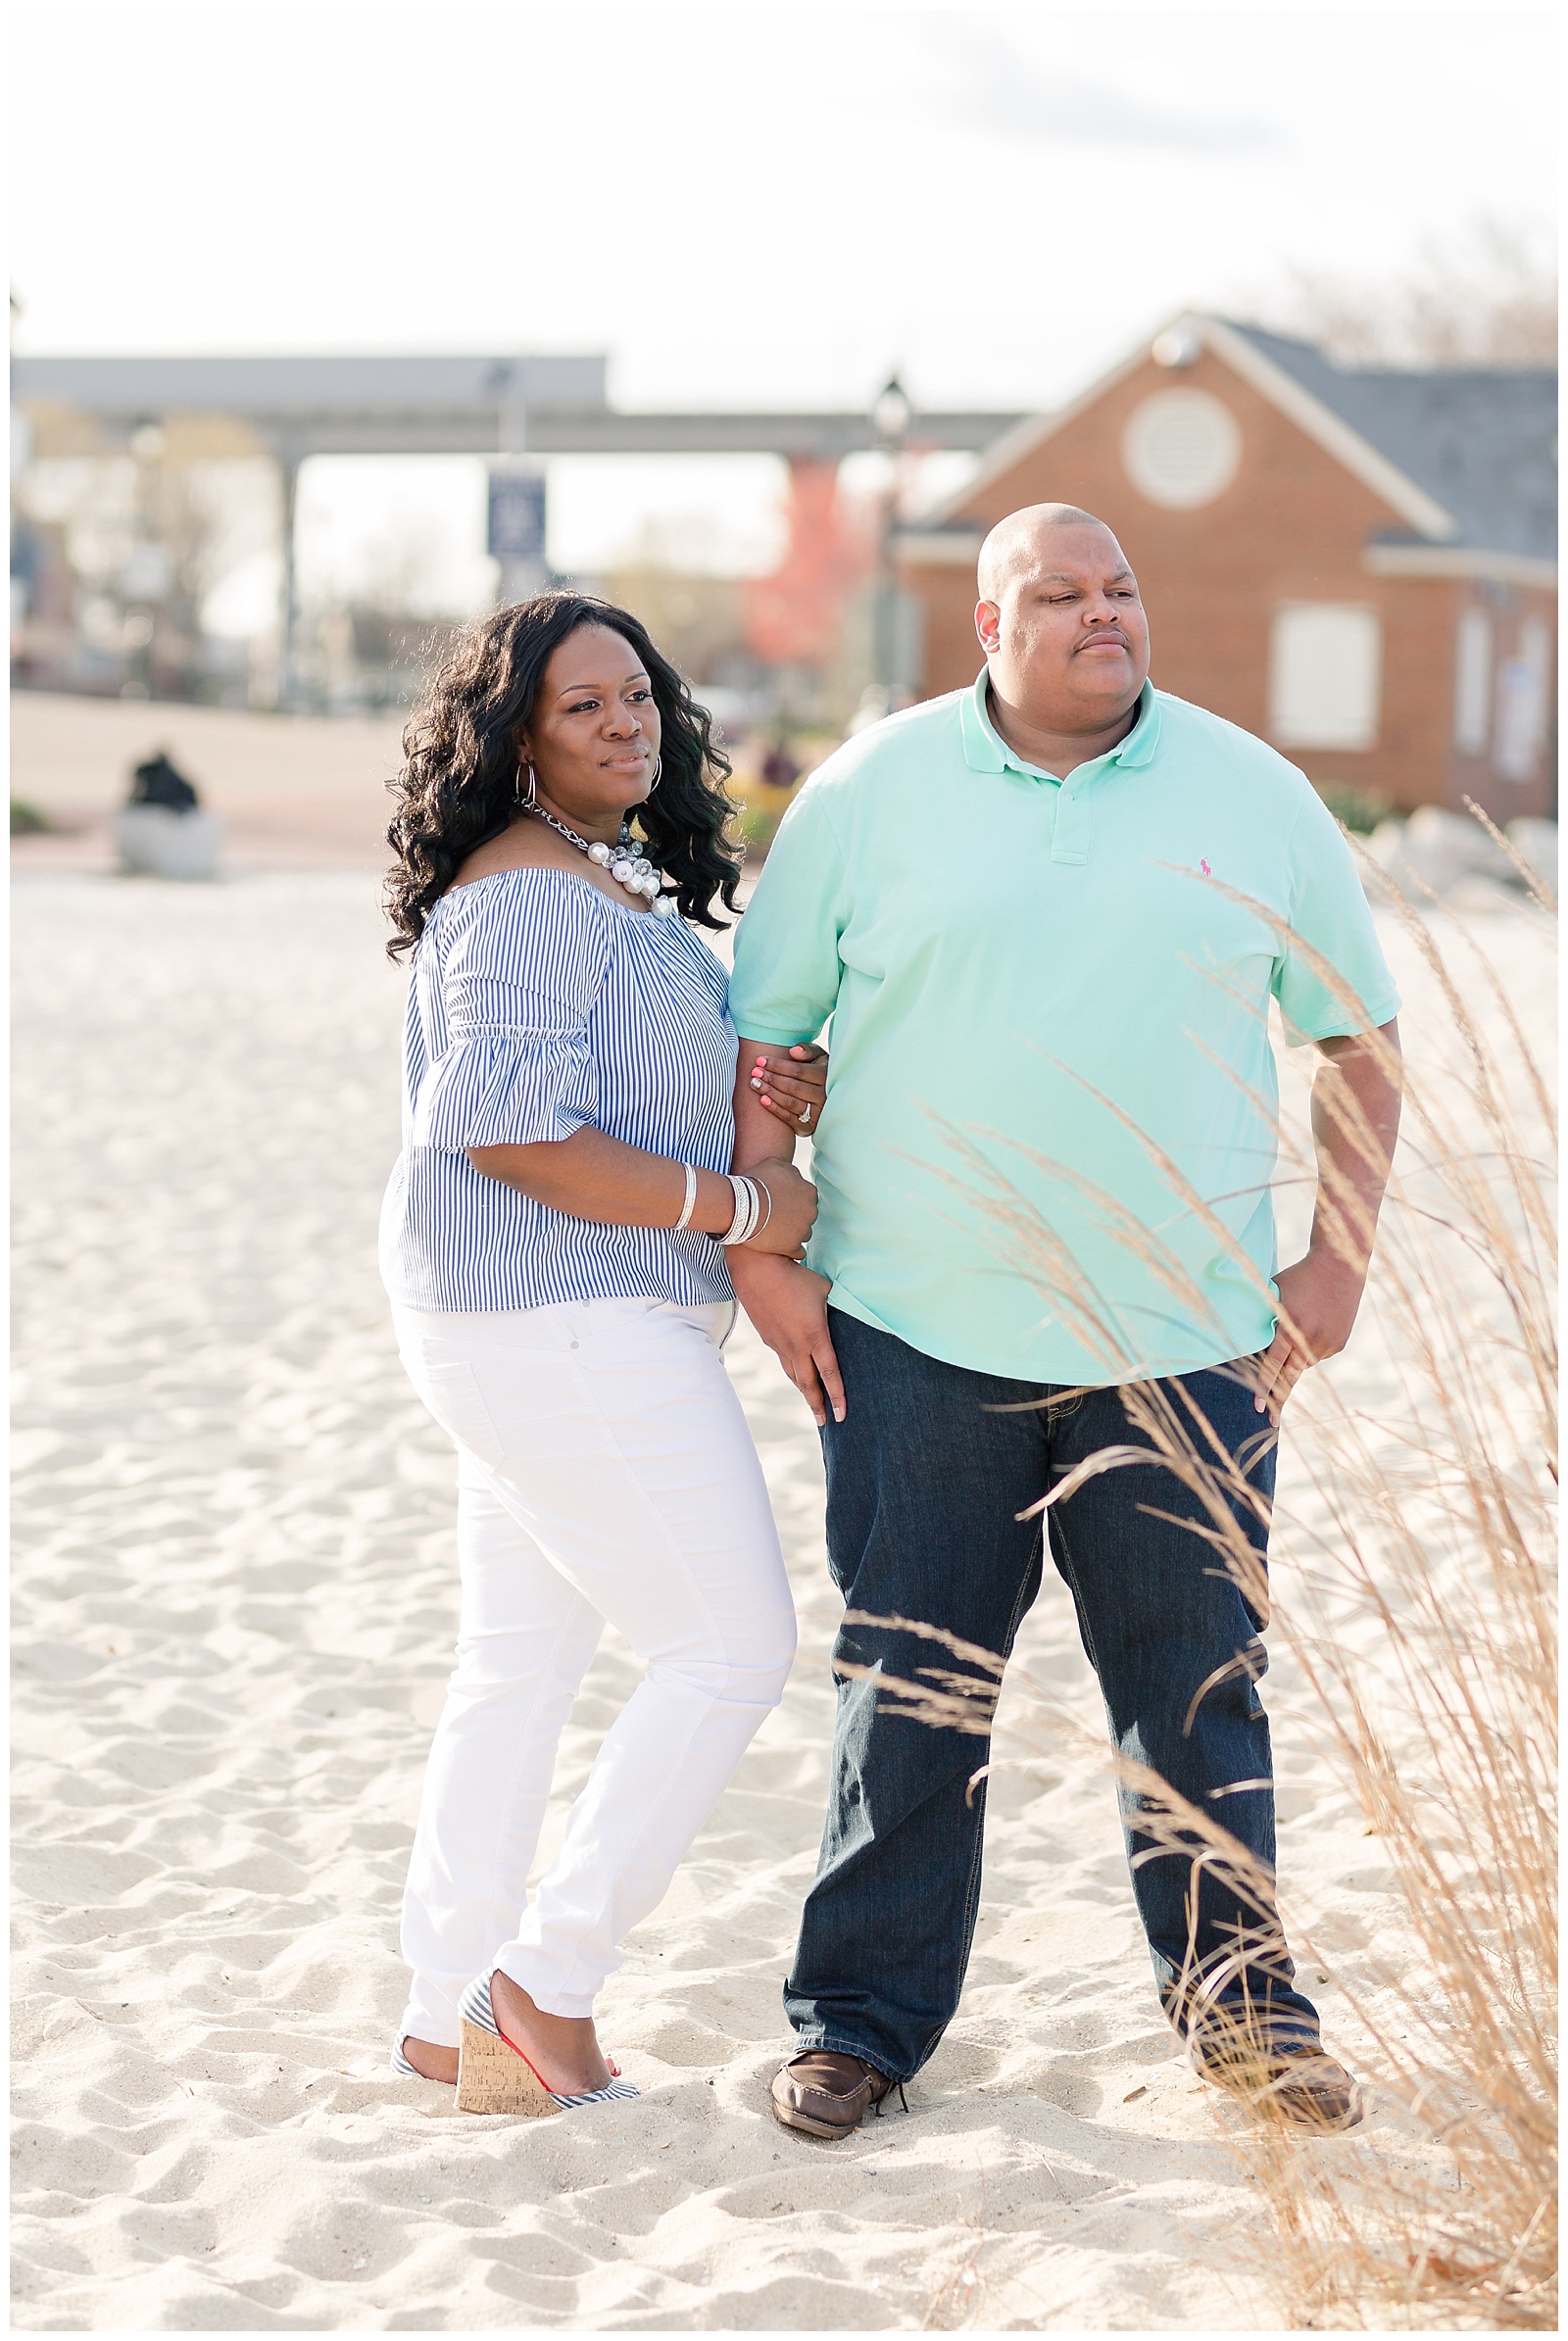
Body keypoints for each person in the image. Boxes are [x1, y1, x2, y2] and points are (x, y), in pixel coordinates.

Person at [725, 504, 1403, 2141]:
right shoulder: (869, 793)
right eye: (1061, 594)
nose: (1105, 614)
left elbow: (1359, 1043)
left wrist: (1338, 1264)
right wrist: (762, 1240)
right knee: (913, 1687)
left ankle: (1244, 2017)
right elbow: (768, 1030)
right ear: (987, 626)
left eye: (1123, 589)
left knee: (1197, 1690)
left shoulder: (1256, 795)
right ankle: (861, 2028)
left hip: (1183, 1346)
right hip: (913, 1332)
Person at [379, 592, 828, 2116]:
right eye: (583, 705)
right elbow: (508, 1133)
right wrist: (744, 1201)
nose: (626, 721)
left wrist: (761, 1089)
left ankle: (448, 2012)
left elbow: (624, 1097)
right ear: (513, 739)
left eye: (636, 694)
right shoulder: (518, 898)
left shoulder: (603, 881)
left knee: (519, 1665)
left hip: (545, 1321)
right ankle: (544, 1984)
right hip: (557, 1317)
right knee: (733, 1646)